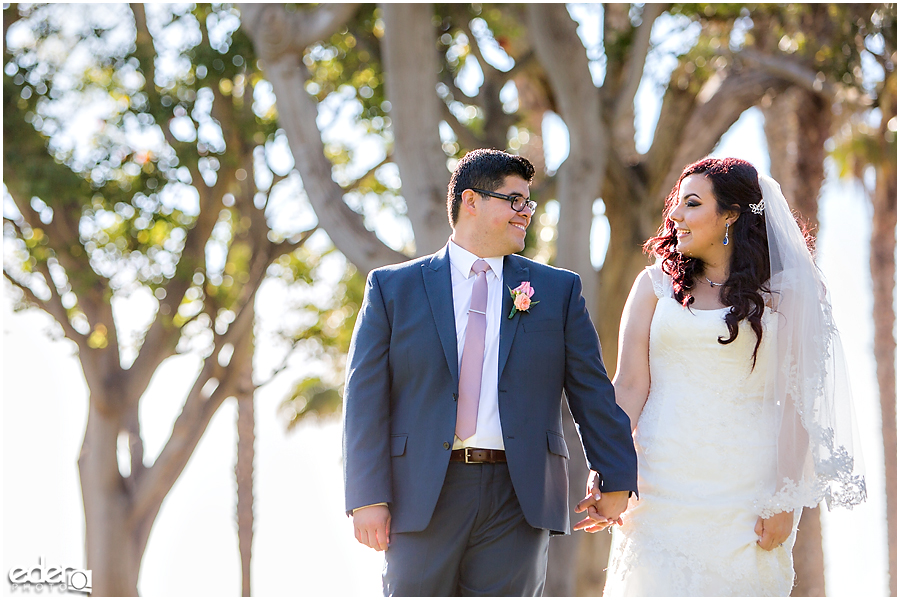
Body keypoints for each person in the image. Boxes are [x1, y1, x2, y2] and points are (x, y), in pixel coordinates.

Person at [342, 148, 638, 596]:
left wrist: (615, 476)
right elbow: (364, 398)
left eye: (530, 204)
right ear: (470, 201)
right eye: (515, 201)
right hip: (421, 492)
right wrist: (366, 495)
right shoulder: (391, 288)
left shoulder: (557, 291)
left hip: (519, 497)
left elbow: (591, 391)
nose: (527, 214)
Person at [591, 157, 866, 596]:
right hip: (658, 490)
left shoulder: (788, 293)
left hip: (745, 494)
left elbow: (799, 401)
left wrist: (783, 498)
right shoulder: (653, 287)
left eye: (692, 204)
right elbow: (628, 386)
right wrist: (609, 466)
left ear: (732, 215)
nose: (675, 216)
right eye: (677, 205)